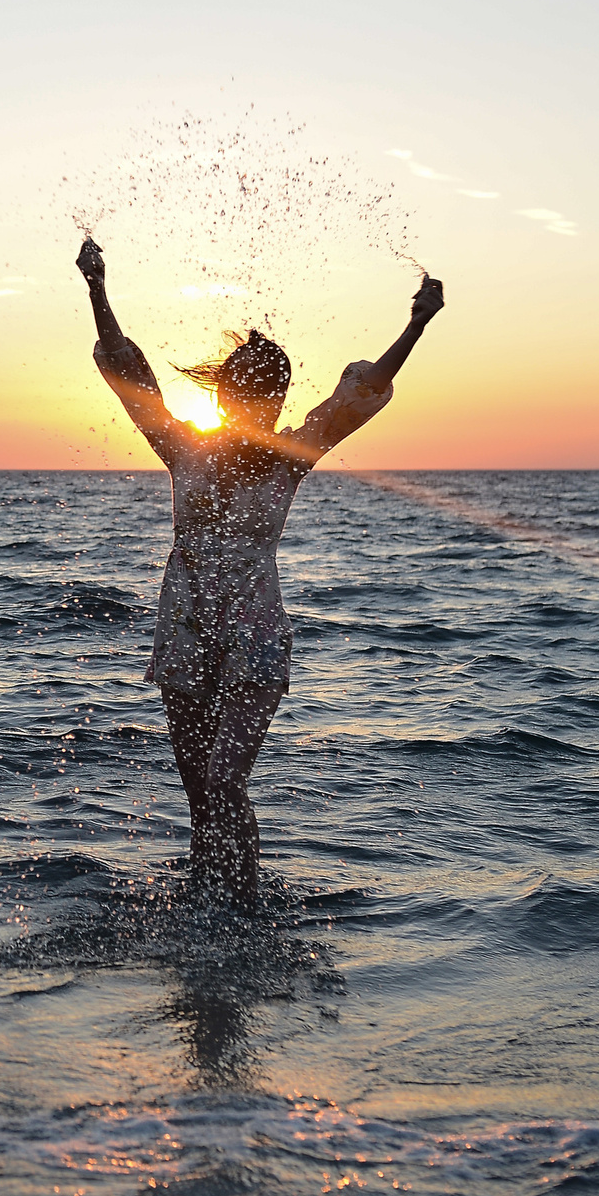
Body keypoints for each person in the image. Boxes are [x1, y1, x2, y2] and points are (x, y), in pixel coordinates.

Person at [76, 235, 444, 909]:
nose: (263, 409)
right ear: (227, 396)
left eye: (272, 396)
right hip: (185, 630)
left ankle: (242, 911)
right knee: (198, 796)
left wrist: (416, 324)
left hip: (255, 639)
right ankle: (205, 907)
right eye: (251, 395)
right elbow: (130, 373)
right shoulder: (182, 447)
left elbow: (361, 393)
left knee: (223, 782)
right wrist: (98, 290)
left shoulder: (291, 455)